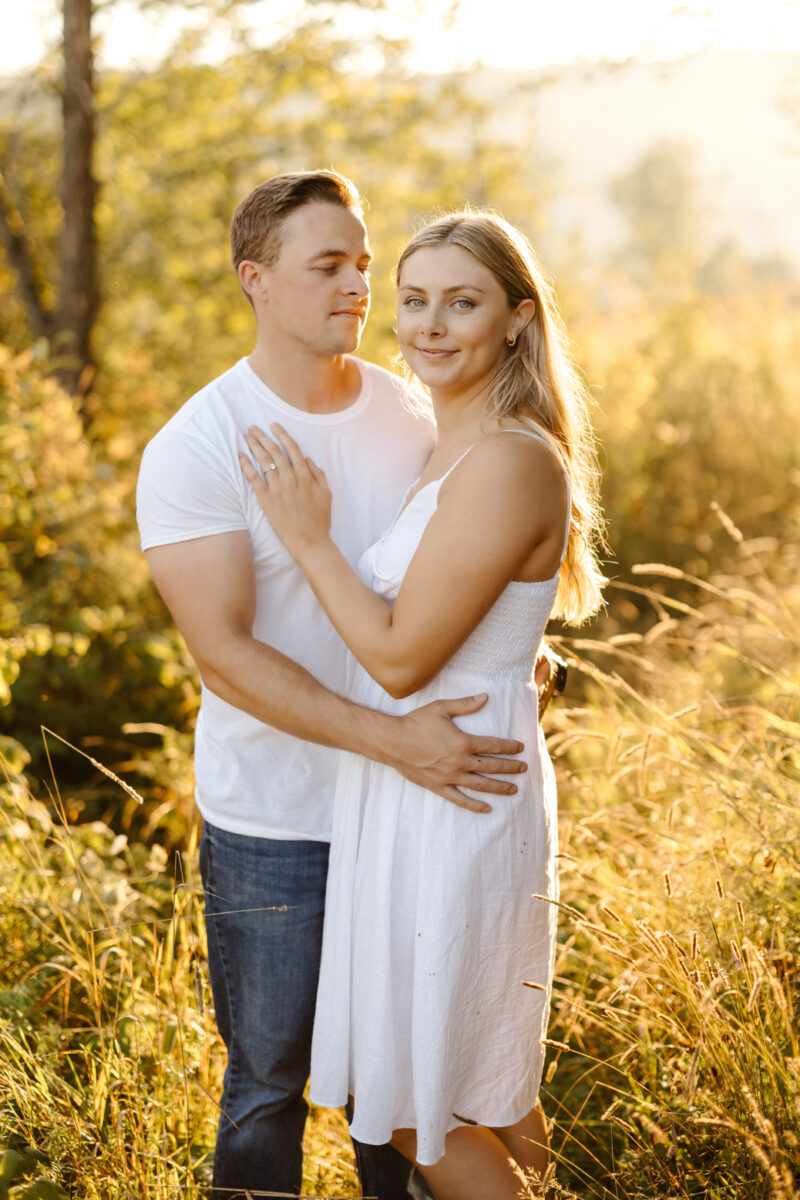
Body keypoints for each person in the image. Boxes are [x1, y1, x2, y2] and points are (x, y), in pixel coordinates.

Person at [136, 171, 560, 1200]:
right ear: (257, 281)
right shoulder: (197, 445)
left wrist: (513, 649)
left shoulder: (408, 410)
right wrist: (394, 737)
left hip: (419, 807)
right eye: (329, 266)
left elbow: (464, 562)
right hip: (279, 822)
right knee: (270, 1086)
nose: (360, 291)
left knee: (403, 1091)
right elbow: (224, 656)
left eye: (365, 266)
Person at [239, 209, 605, 1200]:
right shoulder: (455, 446)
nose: (430, 325)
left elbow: (400, 661)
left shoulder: (505, 459)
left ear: (517, 320)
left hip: (452, 796)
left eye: (462, 302)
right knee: (486, 1085)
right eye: (414, 301)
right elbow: (476, 622)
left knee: (414, 1111)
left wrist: (306, 538)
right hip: (426, 778)